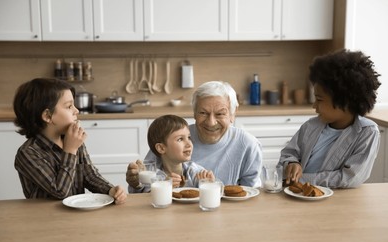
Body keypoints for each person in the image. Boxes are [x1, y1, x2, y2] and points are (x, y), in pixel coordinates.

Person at [127, 81, 263, 193]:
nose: (211, 122)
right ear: (194, 113)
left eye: (220, 114)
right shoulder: (170, 136)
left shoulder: (249, 145)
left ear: (233, 114)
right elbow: (141, 188)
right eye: (203, 113)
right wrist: (136, 182)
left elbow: (250, 194)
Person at [13, 78, 127, 203]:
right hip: (44, 219)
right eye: (69, 106)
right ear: (47, 116)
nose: (76, 110)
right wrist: (70, 150)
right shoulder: (28, 153)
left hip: (75, 217)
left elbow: (89, 176)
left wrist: (110, 190)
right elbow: (59, 192)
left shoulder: (74, 140)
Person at [279, 49, 381, 188]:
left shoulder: (367, 132)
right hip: (297, 194)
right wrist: (292, 163)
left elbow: (350, 177)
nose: (314, 106)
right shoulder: (310, 126)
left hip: (336, 202)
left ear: (345, 102)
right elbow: (289, 153)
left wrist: (302, 179)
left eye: (319, 99)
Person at [129, 114, 214, 193]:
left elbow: (212, 192)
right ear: (161, 148)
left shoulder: (194, 171)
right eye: (180, 139)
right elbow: (142, 197)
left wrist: (208, 184)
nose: (189, 144)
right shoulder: (153, 176)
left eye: (189, 137)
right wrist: (163, 187)